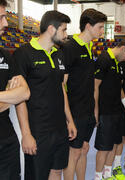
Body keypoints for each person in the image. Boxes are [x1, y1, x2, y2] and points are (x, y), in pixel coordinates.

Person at [13, 11, 77, 180]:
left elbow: (60, 88)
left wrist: (69, 120)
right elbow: (19, 98)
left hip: (59, 128)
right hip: (38, 130)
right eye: (63, 30)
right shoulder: (23, 54)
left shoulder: (58, 54)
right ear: (51, 29)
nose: (66, 34)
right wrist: (26, 134)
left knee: (57, 170)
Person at [62, 9, 107, 180]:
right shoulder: (70, 47)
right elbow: (62, 85)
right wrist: (69, 118)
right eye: (100, 27)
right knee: (73, 153)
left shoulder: (89, 48)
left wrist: (94, 110)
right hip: (75, 111)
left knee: (84, 149)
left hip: (87, 111)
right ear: (88, 26)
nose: (102, 31)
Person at [93, 39, 125, 180]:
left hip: (117, 110)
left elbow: (118, 86)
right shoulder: (104, 59)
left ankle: (107, 173)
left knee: (116, 143)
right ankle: (98, 176)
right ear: (122, 48)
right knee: (104, 147)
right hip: (105, 111)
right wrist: (96, 110)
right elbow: (95, 86)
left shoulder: (119, 63)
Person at [0, 1, 30, 179]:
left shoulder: (5, 55)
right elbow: (16, 95)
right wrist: (10, 97)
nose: (5, 23)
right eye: (1, 18)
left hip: (7, 141)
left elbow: (24, 92)